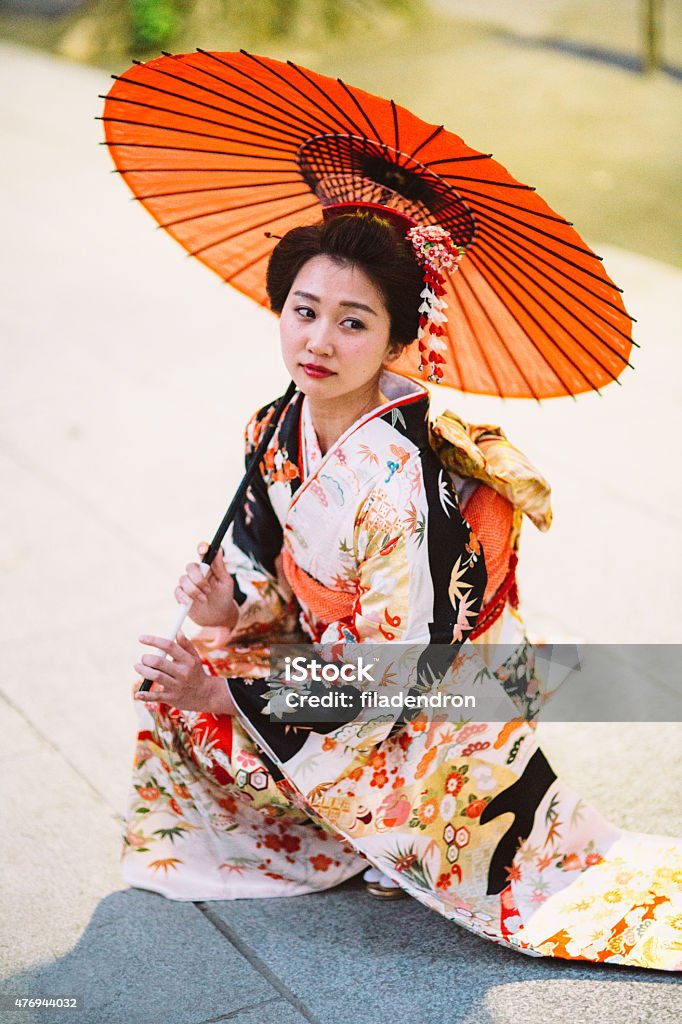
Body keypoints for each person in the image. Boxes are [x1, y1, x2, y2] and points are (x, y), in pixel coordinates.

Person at [124, 212, 682, 969]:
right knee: (178, 675)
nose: (318, 341)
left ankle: (381, 835)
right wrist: (228, 606)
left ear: (396, 342)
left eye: (352, 322)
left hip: (423, 712)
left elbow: (392, 678)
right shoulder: (272, 426)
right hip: (332, 660)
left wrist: (226, 695)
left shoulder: (393, 491)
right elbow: (268, 563)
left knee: (208, 707)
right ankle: (340, 831)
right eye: (304, 309)